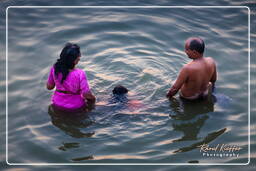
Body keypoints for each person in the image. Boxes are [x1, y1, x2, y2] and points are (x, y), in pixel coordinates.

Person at [46, 43, 95, 112]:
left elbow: (49, 87)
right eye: (79, 57)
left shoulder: (54, 69)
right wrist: (94, 100)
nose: (79, 58)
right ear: (75, 60)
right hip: (76, 107)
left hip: (57, 104)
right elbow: (86, 95)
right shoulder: (80, 74)